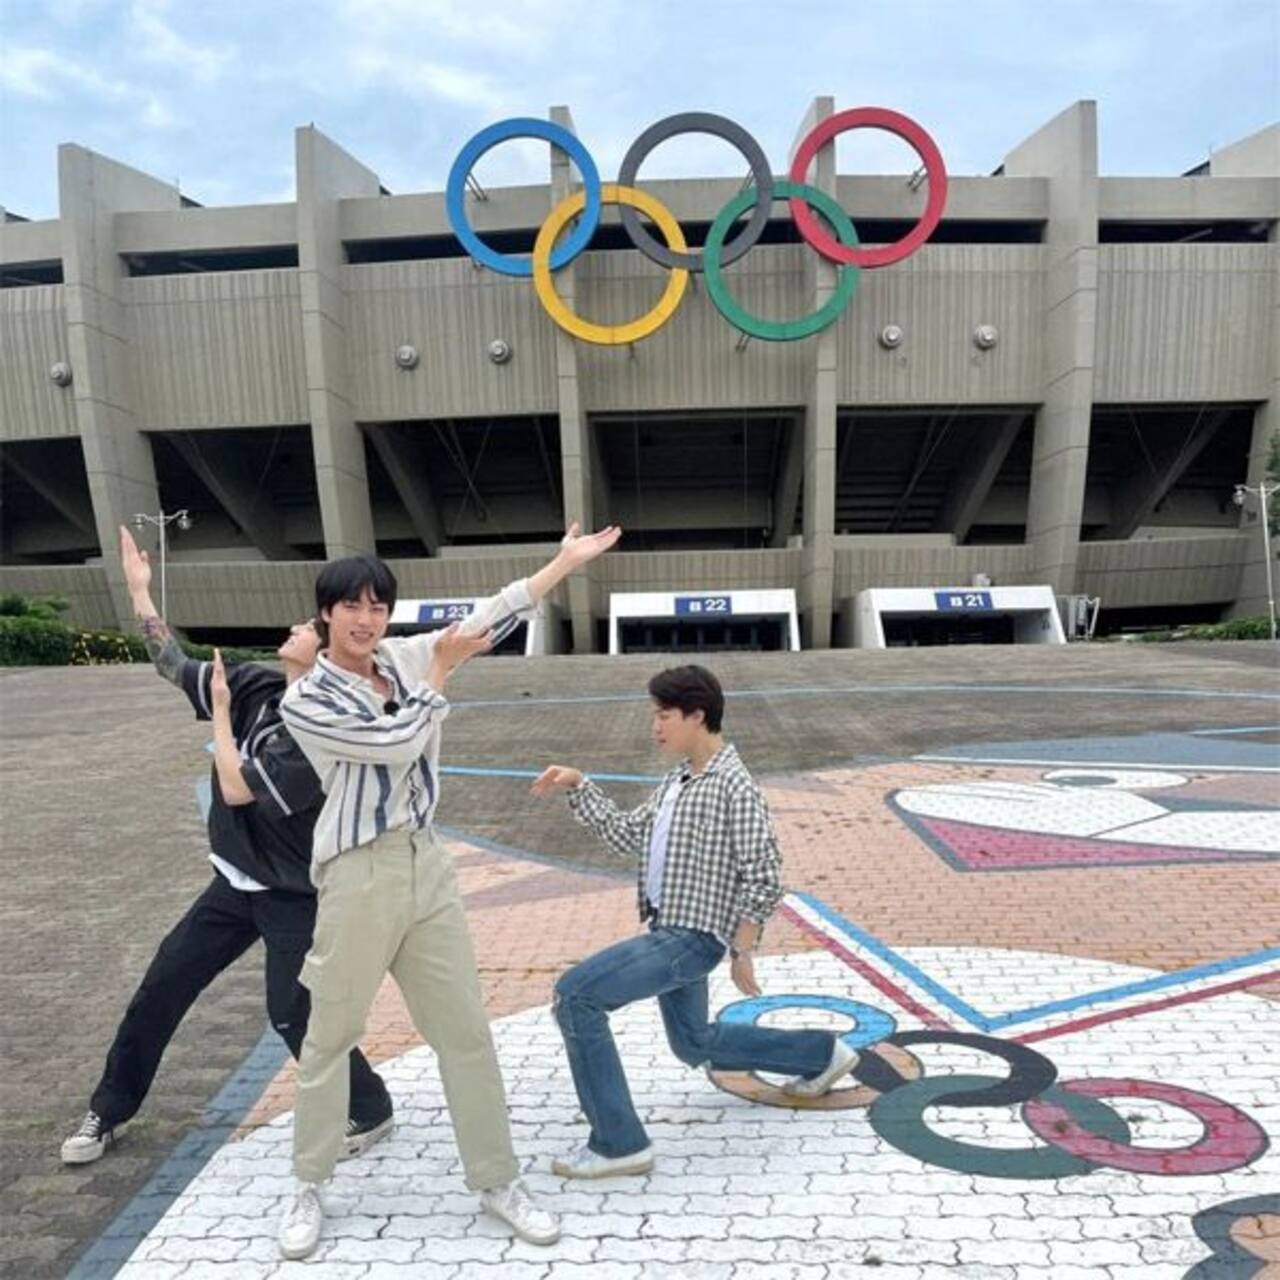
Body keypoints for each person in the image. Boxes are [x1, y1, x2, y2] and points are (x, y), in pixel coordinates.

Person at [275, 521, 621, 1261]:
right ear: (325, 614)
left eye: (379, 606)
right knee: (329, 1037)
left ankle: (498, 1180)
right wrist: (439, 676)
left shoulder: (400, 656)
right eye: (353, 607)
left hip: (426, 865)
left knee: (465, 1033)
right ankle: (309, 1183)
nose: (368, 620)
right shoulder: (305, 700)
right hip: (357, 873)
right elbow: (395, 744)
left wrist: (561, 564)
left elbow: (487, 614)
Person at [61, 527, 392, 1166]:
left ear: (322, 648)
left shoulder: (325, 729)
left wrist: (217, 715)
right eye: (335, 609)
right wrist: (140, 594)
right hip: (234, 883)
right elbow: (170, 662)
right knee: (162, 988)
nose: (295, 628)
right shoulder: (252, 687)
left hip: (296, 893)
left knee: (293, 1015)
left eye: (306, 625)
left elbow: (241, 792)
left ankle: (370, 1105)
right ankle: (109, 1108)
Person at [530, 663, 858, 1179]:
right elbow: (626, 836)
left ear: (696, 715)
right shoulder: (678, 782)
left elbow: (765, 873)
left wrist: (742, 950)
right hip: (669, 931)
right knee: (693, 1042)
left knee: (577, 997)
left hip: (690, 939)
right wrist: (580, 785)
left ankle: (619, 1144)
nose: (655, 727)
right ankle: (821, 1053)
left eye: (663, 716)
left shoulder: (733, 785)